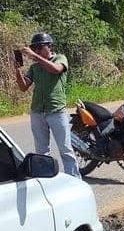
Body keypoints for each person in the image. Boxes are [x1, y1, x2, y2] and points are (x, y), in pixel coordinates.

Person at [10, 32, 81, 178]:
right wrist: (17, 70)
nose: (36, 50)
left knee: (65, 150)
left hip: (56, 111)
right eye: (34, 48)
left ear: (49, 46)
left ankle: (75, 181)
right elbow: (24, 87)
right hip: (37, 112)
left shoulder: (60, 58)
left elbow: (56, 69)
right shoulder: (35, 67)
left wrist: (34, 56)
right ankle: (46, 180)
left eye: (39, 47)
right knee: (41, 152)